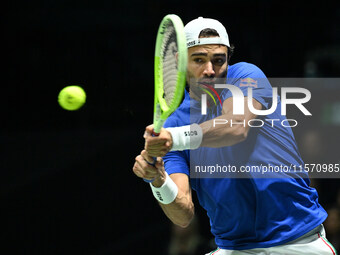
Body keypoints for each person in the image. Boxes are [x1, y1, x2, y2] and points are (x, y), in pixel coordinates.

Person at [132, 17, 337, 254]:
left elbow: (236, 126)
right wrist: (157, 180)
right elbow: (183, 213)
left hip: (299, 241)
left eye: (218, 60)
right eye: (198, 60)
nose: (209, 70)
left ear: (228, 59)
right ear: (179, 61)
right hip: (235, 248)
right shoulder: (175, 122)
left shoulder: (246, 76)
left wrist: (173, 139)